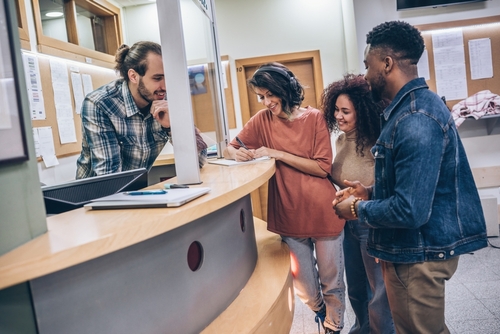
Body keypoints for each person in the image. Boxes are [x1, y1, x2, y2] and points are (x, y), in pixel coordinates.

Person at [332, 21, 488, 334]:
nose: (365, 74)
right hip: (413, 248)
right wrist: (369, 193)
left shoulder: (415, 118)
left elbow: (410, 209)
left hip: (418, 252)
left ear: (386, 63)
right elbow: (412, 183)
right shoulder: (409, 110)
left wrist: (355, 210)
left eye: (368, 65)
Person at [223, 62, 346, 334]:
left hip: (323, 210)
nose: (266, 102)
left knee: (332, 281)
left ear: (284, 90)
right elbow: (229, 147)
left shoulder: (314, 118)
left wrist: (276, 153)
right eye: (261, 97)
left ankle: (333, 327)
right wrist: (236, 153)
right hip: (288, 213)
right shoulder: (261, 121)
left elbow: (322, 167)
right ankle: (322, 313)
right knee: (304, 285)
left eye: (270, 95)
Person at [322, 73, 395, 334]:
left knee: (379, 292)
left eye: (346, 111)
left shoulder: (378, 141)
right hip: (348, 224)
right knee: (356, 287)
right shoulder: (341, 139)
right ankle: (363, 329)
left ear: (362, 112)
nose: (339, 116)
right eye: (336, 110)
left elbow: (385, 186)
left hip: (370, 222)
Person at [76, 41, 207, 179]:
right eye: (157, 78)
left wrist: (172, 126)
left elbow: (200, 160)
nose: (165, 86)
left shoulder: (167, 99)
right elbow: (110, 178)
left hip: (133, 192)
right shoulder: (100, 104)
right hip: (94, 197)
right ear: (133, 76)